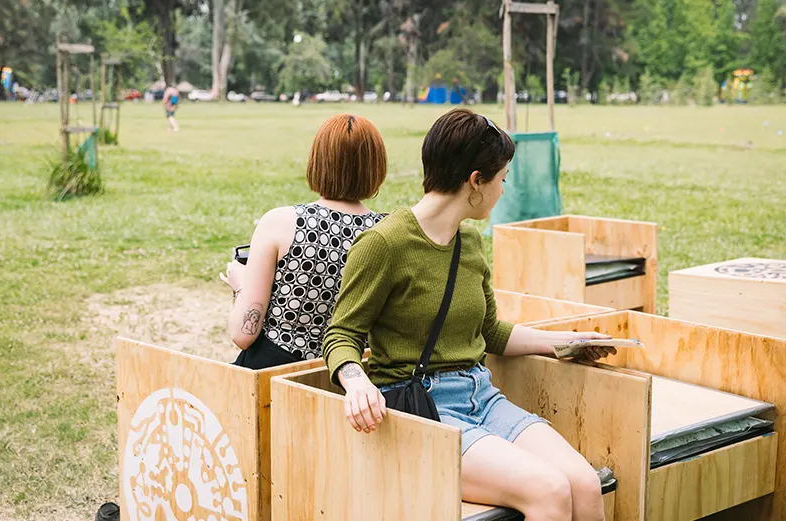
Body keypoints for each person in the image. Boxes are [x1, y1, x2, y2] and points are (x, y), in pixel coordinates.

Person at [323, 108, 616, 521]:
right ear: (475, 181)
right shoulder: (383, 244)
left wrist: (565, 343)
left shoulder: (471, 241)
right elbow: (341, 334)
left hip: (482, 396)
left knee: (583, 483)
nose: (503, 189)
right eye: (501, 179)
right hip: (423, 408)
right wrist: (355, 384)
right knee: (548, 490)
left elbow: (490, 332)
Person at [220, 114, 387, 370]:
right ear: (376, 167)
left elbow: (243, 334)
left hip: (274, 373)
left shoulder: (281, 222)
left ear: (318, 162)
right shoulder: (386, 231)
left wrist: (240, 285)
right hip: (351, 376)